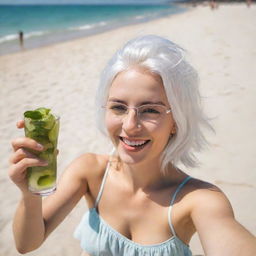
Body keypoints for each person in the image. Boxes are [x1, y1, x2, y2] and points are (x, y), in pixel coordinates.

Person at [9, 35, 256, 256]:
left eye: (150, 110)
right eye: (118, 107)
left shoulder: (198, 201)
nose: (129, 125)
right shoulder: (90, 172)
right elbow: (27, 244)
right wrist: (30, 193)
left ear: (176, 121)